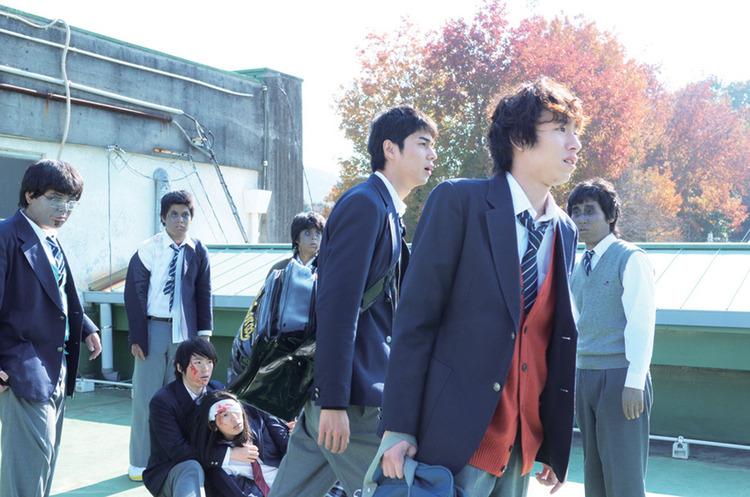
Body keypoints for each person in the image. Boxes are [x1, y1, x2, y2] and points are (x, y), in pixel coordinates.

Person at [378, 78, 584, 497]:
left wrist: (551, 439)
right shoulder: (459, 202)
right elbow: (416, 320)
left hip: (521, 447)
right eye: (561, 129)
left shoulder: (564, 229)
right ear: (519, 138)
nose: (575, 143)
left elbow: (548, 338)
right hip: (455, 438)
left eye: (576, 131)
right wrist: (398, 426)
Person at [268, 106, 438, 497]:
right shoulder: (366, 205)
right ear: (390, 149)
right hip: (353, 400)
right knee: (400, 492)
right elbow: (338, 309)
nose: (432, 155)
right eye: (423, 144)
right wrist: (333, 401)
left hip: (348, 391)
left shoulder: (385, 209)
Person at [0, 159, 102, 497]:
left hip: (57, 364)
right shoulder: (5, 235)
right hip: (21, 368)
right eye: (56, 199)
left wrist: (85, 326)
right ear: (30, 195)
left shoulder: (50, 238)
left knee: (43, 465)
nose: (64, 210)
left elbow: (57, 292)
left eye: (71, 202)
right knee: (26, 471)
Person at [567, 178, 655, 497]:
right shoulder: (578, 265)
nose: (581, 219)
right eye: (576, 211)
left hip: (620, 378)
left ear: (610, 216)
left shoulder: (630, 257)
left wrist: (635, 381)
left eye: (590, 210)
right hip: (585, 376)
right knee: (595, 478)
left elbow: (642, 323)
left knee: (624, 480)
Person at [124, 189, 213, 481]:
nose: (180, 220)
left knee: (182, 398)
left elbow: (203, 293)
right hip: (153, 330)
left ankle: (177, 459)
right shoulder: (148, 249)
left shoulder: (198, 250)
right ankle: (140, 463)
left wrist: (204, 335)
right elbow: (134, 294)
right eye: (173, 214)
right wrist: (137, 336)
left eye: (185, 214)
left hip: (185, 333)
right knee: (146, 399)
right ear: (163, 217)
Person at [143, 337, 228, 497]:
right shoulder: (163, 401)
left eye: (209, 362)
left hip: (211, 465)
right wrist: (225, 456)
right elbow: (179, 451)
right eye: (198, 362)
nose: (205, 369)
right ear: (180, 367)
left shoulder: (217, 390)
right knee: (191, 467)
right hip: (172, 469)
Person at [192, 390, 290, 497]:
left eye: (234, 409)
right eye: (225, 415)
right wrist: (230, 454)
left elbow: (287, 446)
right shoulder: (221, 460)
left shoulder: (259, 419)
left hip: (294, 482)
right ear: (212, 425)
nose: (234, 418)